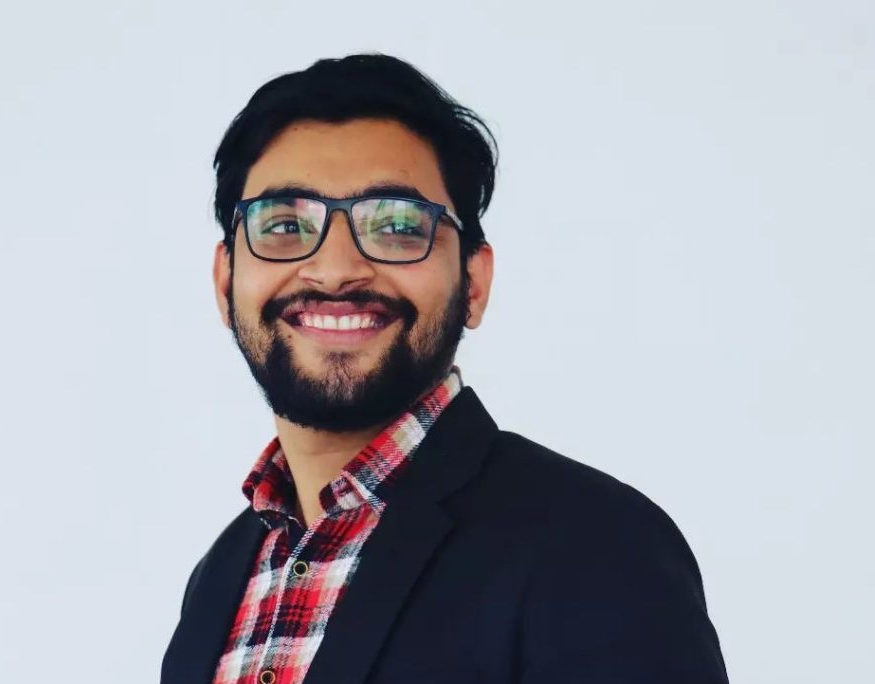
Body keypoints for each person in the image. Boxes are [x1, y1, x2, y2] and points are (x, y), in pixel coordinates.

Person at [161, 53, 729, 684]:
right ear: (225, 281)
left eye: (398, 226)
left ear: (474, 283)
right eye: (285, 225)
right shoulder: (220, 578)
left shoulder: (598, 544)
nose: (335, 269)